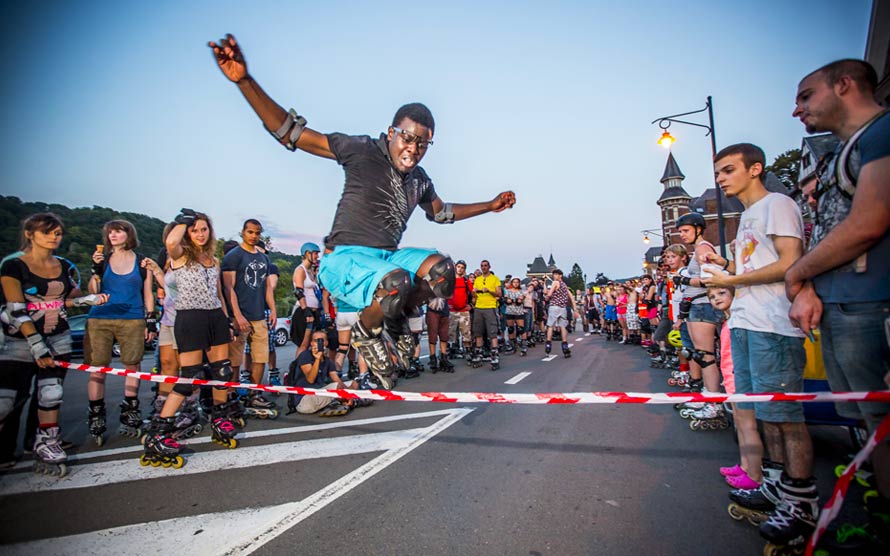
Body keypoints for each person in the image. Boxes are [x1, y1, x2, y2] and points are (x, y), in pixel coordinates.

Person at [210, 34, 515, 390]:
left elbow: (442, 212)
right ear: (391, 133)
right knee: (397, 279)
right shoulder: (361, 149)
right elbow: (291, 133)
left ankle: (396, 319)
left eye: (423, 143)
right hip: (345, 261)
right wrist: (245, 82)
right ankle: (368, 332)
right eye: (407, 138)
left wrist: (489, 206)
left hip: (384, 260)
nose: (413, 149)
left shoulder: (419, 180)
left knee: (442, 271)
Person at [786, 59, 890, 550]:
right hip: (843, 303)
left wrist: (798, 271)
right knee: (868, 425)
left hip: (872, 304)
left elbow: (869, 222)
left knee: (881, 423)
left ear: (844, 85)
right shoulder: (842, 153)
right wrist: (809, 286)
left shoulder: (881, 135)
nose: (797, 109)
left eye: (806, 96)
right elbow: (829, 230)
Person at [704, 143, 815, 549]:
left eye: (729, 170)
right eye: (718, 172)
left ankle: (802, 500)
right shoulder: (747, 217)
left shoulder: (778, 204)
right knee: (762, 412)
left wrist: (730, 281)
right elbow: (750, 267)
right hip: (746, 321)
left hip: (774, 325)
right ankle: (772, 485)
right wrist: (722, 271)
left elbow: (790, 262)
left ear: (755, 169)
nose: (721, 179)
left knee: (786, 416)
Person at [0, 213, 108, 474]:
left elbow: (67, 299)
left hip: (57, 336)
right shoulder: (13, 265)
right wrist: (36, 344)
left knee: (51, 393)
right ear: (29, 234)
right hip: (18, 339)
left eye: (58, 233)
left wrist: (86, 301)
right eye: (47, 232)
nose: (54, 237)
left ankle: (45, 441)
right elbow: (16, 308)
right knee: (8, 399)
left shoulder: (64, 266)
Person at [141, 210, 240, 468]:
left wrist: (227, 320)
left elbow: (218, 293)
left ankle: (220, 418)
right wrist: (184, 222)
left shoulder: (214, 260)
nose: (199, 234)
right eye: (194, 230)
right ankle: (158, 433)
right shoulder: (180, 255)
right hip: (190, 318)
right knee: (189, 377)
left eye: (203, 229)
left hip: (215, 317)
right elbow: (171, 242)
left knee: (222, 372)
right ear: (187, 232)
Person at [84, 219, 156, 442]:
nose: (113, 235)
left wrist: (150, 320)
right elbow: (93, 292)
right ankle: (96, 413)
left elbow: (148, 293)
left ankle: (130, 410)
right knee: (98, 368)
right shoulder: (103, 260)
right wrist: (96, 270)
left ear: (129, 234)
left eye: (118, 231)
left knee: (132, 364)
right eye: (110, 232)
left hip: (132, 318)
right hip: (100, 318)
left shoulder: (142, 261)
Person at [709, 284, 765, 489]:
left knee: (748, 426)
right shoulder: (726, 322)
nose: (716, 298)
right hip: (730, 379)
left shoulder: (739, 322)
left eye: (722, 293)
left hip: (738, 379)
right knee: (740, 426)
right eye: (712, 296)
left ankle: (755, 473)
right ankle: (744, 464)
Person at [221, 219, 277, 418]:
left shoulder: (263, 259)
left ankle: (254, 392)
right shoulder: (233, 256)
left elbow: (267, 287)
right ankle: (232, 393)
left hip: (258, 314)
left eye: (257, 233)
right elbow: (228, 288)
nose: (254, 236)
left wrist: (273, 309)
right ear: (243, 232)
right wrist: (236, 315)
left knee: (260, 355)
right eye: (250, 232)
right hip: (239, 315)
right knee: (235, 358)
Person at [673, 213, 723, 406]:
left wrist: (684, 280)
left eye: (686, 231)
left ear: (698, 229)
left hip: (702, 305)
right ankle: (707, 394)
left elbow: (710, 278)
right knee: (698, 354)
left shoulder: (703, 248)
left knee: (705, 355)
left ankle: (713, 401)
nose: (682, 235)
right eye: (680, 232)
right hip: (696, 305)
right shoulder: (697, 250)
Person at [290, 330, 369, 417]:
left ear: (326, 343)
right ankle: (351, 401)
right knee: (336, 387)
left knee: (354, 383)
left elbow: (337, 380)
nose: (319, 343)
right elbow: (310, 379)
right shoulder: (305, 356)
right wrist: (317, 359)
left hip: (319, 394)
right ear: (311, 343)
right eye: (316, 341)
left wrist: (348, 391)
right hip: (305, 400)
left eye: (322, 340)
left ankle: (345, 400)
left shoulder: (328, 361)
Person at [290, 242, 322, 356]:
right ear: (307, 253)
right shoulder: (300, 270)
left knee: (312, 345)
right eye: (315, 254)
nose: (317, 256)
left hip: (314, 312)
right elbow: (298, 292)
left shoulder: (311, 272)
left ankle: (309, 370)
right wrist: (306, 311)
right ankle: (296, 371)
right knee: (303, 345)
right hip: (304, 312)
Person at [471, 260, 503, 370]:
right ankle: (478, 353)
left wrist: (489, 291)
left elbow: (499, 293)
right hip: (479, 307)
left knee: (492, 332)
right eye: (482, 266)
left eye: (485, 266)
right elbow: (473, 296)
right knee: (478, 331)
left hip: (490, 307)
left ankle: (494, 354)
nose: (483, 268)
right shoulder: (478, 279)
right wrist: (474, 292)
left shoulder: (495, 279)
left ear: (489, 267)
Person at [446, 260, 473, 359]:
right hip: (452, 311)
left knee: (466, 332)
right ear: (455, 267)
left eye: (462, 267)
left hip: (464, 311)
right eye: (458, 267)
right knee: (451, 332)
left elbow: (473, 294)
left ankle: (467, 350)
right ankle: (451, 350)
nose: (460, 269)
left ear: (464, 270)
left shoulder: (466, 281)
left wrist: (471, 305)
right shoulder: (450, 281)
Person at [544, 269, 572, 358]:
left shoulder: (555, 283)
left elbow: (549, 294)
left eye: (556, 274)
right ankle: (565, 346)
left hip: (554, 306)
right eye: (554, 275)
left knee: (550, 326)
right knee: (563, 327)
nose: (554, 276)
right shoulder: (564, 285)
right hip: (562, 308)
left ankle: (548, 345)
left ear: (560, 275)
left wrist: (547, 297)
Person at [425, 296, 454, 372]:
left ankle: (443, 357)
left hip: (444, 310)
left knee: (444, 335)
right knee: (432, 334)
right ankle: (433, 357)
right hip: (432, 310)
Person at [503, 277, 527, 356]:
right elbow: (506, 300)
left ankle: (523, 346)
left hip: (519, 312)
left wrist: (513, 301)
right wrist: (511, 301)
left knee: (521, 329)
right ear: (512, 283)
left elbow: (520, 301)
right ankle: (512, 346)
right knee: (510, 329)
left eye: (517, 282)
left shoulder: (521, 291)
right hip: (510, 311)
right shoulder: (508, 291)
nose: (516, 283)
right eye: (514, 282)